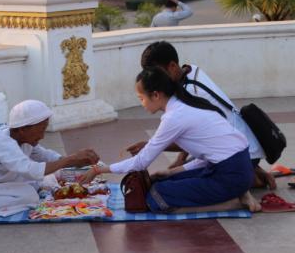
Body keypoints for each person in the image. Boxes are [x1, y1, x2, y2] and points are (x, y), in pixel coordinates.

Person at [81, 67, 260, 213]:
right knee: (161, 181)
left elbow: (141, 162)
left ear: (156, 95)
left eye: (141, 98)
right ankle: (239, 193)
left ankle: (233, 203)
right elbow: (210, 156)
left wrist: (99, 170)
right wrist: (172, 172)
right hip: (236, 168)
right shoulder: (186, 104)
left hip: (231, 175)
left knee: (156, 198)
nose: (142, 103)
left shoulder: (174, 117)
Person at [138, 41, 276, 189]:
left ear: (172, 66)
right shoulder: (191, 70)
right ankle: (253, 172)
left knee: (166, 182)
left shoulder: (190, 92)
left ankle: (251, 178)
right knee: (178, 170)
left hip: (239, 152)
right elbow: (196, 133)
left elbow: (196, 135)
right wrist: (180, 158)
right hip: (243, 146)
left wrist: (152, 146)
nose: (154, 80)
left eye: (157, 74)